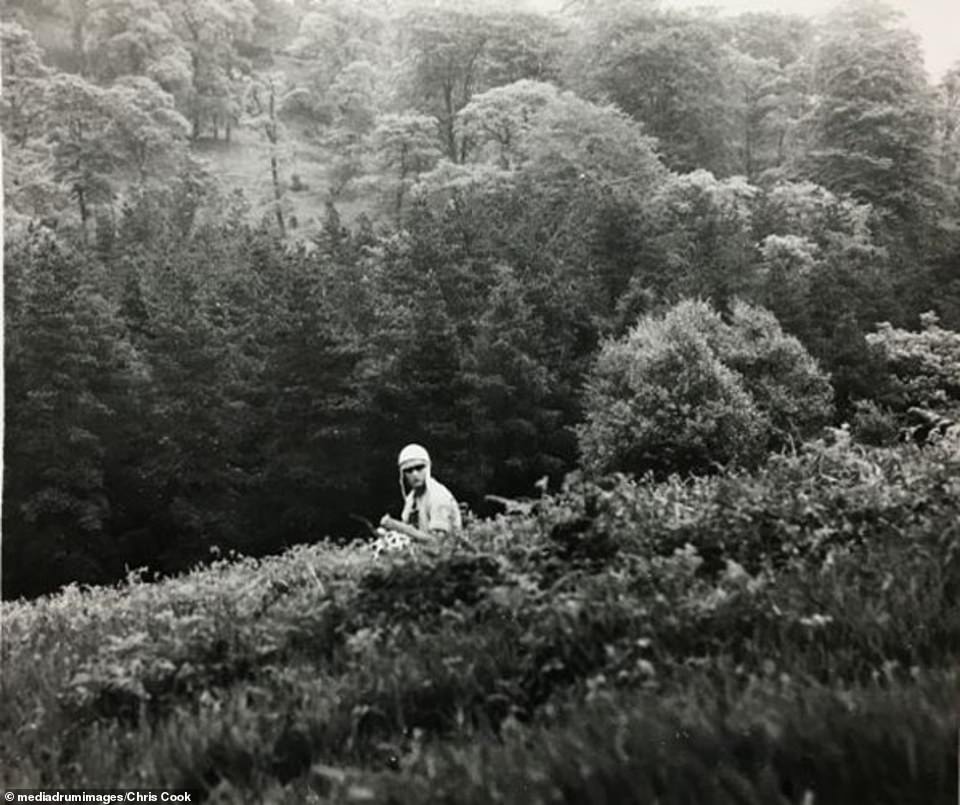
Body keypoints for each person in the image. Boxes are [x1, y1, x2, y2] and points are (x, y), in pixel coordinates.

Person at [379, 443, 462, 542]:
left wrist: (397, 526)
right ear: (403, 474)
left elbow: (438, 543)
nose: (414, 474)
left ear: (427, 467)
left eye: (419, 468)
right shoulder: (411, 499)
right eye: (409, 470)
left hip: (450, 554)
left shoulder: (438, 496)